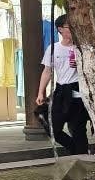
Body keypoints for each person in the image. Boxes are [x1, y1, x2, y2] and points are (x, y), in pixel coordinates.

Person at [36, 15, 91, 155]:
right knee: (53, 127)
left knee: (78, 129)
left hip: (78, 91)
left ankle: (82, 156)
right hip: (61, 91)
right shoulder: (53, 48)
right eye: (68, 26)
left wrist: (80, 65)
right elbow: (47, 71)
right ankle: (76, 150)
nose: (72, 29)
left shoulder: (82, 47)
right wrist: (41, 92)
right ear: (60, 29)